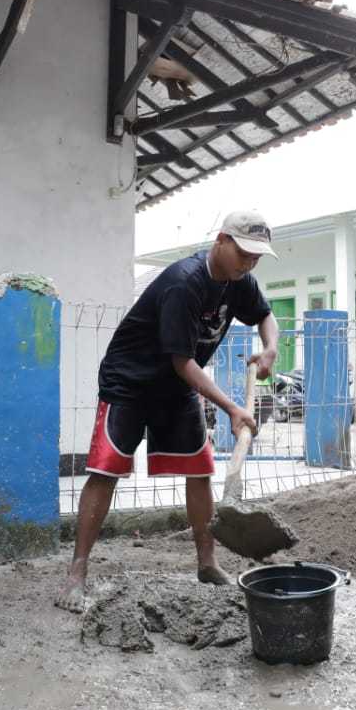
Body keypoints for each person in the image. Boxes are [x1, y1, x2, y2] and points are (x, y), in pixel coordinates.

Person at [56, 211, 281, 612]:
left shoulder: (239, 281)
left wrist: (270, 347)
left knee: (200, 470)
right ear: (222, 241)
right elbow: (184, 362)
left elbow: (265, 315)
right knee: (106, 471)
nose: (250, 263)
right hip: (131, 382)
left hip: (177, 387)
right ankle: (77, 572)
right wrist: (231, 407)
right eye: (245, 253)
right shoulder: (185, 282)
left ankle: (207, 564)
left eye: (257, 257)